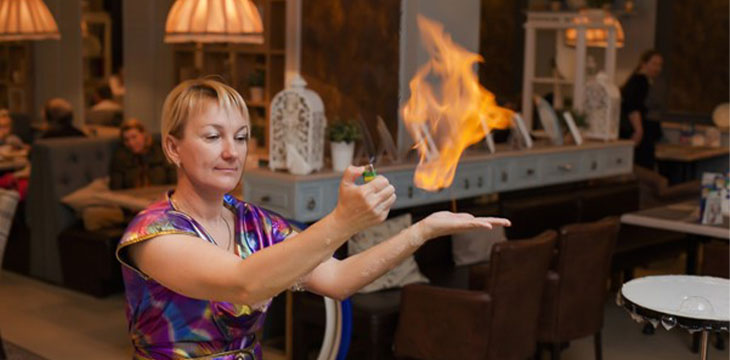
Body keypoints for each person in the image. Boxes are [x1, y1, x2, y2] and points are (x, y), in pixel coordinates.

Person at [116, 79, 511, 359]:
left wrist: (423, 231)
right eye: (213, 136)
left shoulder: (256, 222)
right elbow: (244, 284)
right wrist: (343, 220)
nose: (232, 152)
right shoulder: (153, 233)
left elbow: (337, 280)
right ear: (172, 147)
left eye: (240, 137)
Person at [619, 50, 664, 169]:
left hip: (646, 130)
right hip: (641, 131)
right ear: (643, 64)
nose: (657, 68)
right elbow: (633, 106)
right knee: (642, 167)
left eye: (660, 65)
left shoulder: (643, 81)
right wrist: (639, 130)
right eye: (654, 64)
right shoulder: (640, 81)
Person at [109, 118, 176, 190]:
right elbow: (116, 188)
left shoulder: (160, 152)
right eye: (126, 140)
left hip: (160, 194)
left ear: (144, 134)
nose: (131, 143)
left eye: (134, 137)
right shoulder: (120, 158)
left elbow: (174, 180)